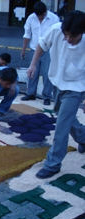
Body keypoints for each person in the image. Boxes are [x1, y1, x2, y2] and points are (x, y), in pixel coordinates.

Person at [27, 11, 85, 179]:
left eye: (72, 36)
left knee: (61, 126)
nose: (68, 39)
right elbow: (41, 45)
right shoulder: (56, 29)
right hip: (57, 81)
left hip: (77, 87)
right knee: (63, 116)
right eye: (66, 35)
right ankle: (83, 137)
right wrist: (32, 65)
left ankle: (53, 164)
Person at [21, 1, 59, 106]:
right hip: (34, 49)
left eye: (42, 16)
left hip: (48, 50)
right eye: (38, 17)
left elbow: (57, 35)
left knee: (47, 74)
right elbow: (27, 35)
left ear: (45, 12)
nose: (40, 19)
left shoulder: (54, 18)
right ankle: (30, 93)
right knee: (32, 73)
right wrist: (23, 50)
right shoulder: (31, 18)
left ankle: (46, 96)